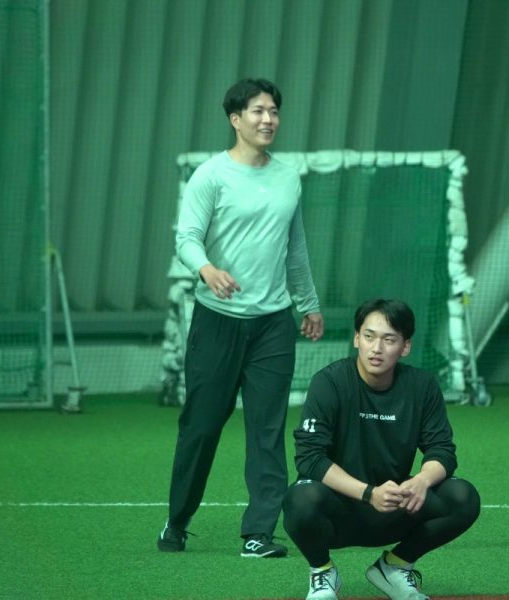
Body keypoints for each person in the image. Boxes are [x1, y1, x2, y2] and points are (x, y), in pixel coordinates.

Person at [158, 78, 324, 558]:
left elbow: (295, 246)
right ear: (235, 119)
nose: (268, 119)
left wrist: (307, 302)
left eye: (274, 111)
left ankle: (258, 533)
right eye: (257, 111)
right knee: (202, 426)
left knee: (268, 431)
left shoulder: (289, 178)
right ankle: (177, 520)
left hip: (273, 326)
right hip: (217, 323)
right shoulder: (210, 176)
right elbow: (187, 237)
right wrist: (207, 269)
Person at [283, 299, 480, 599]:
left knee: (462, 496)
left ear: (405, 346)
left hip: (394, 505)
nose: (376, 348)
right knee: (299, 499)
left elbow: (442, 450)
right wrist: (368, 493)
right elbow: (309, 458)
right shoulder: (329, 382)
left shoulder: (421, 386)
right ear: (356, 339)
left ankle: (395, 567)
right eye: (369, 336)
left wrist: (421, 481)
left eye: (389, 340)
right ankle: (322, 572)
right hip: (339, 509)